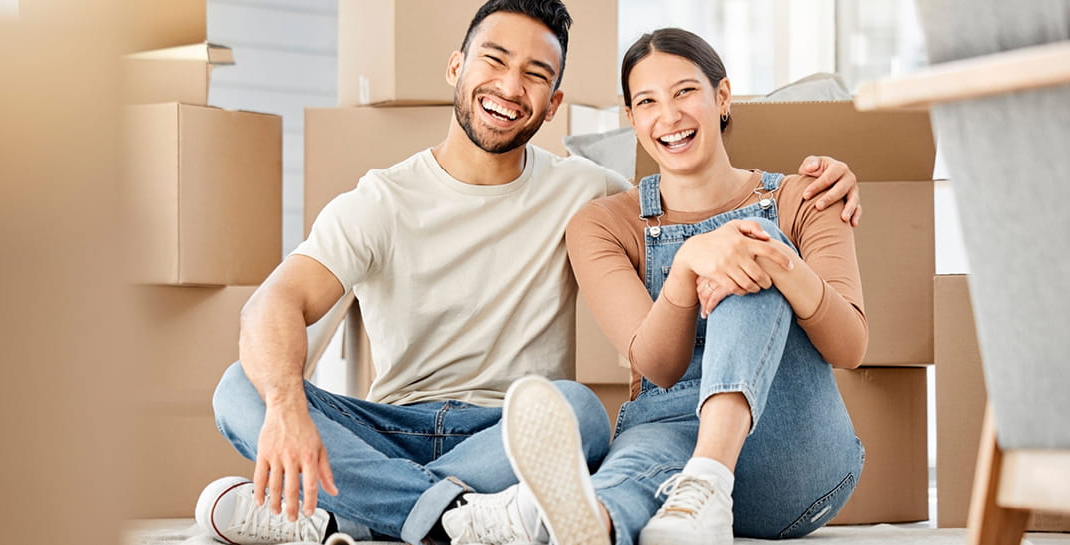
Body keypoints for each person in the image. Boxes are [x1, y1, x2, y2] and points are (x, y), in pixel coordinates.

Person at [196, 2, 862, 543]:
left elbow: (699, 183)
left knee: (578, 411)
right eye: (494, 59)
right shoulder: (381, 199)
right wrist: (286, 408)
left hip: (511, 431)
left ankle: (343, 513)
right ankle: (448, 515)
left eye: (536, 74)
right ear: (457, 65)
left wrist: (830, 176)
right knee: (239, 387)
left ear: (554, 102)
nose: (511, 87)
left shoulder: (589, 194)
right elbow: (270, 306)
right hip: (392, 421)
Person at [443, 28, 867, 545]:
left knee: (749, 246)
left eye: (686, 91)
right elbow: (660, 368)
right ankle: (571, 522)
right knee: (627, 476)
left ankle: (708, 477)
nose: (669, 116)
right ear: (632, 118)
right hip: (668, 432)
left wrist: (778, 262)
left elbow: (849, 347)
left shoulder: (808, 196)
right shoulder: (604, 223)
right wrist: (687, 266)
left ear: (723, 97)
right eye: (647, 101)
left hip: (793, 452)